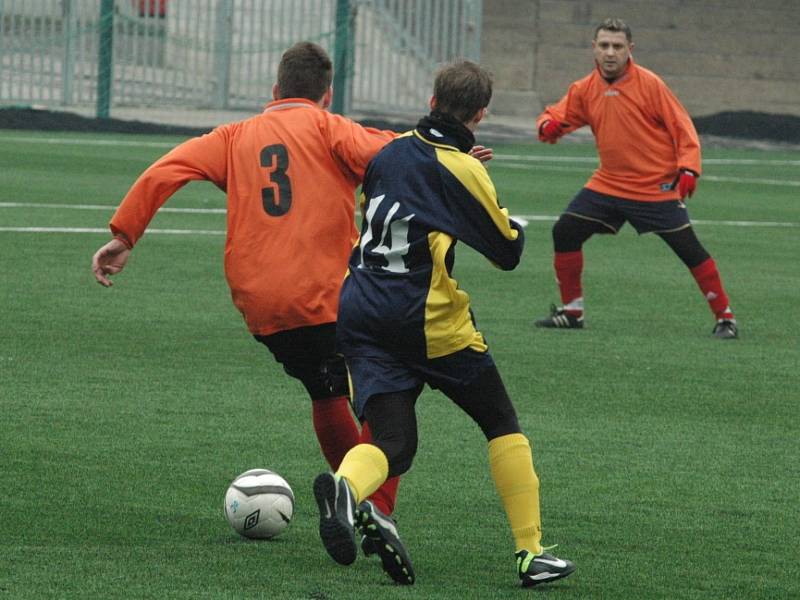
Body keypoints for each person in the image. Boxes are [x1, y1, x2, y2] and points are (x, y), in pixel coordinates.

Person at [90, 41, 411, 579]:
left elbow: (167, 168)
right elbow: (396, 154)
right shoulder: (332, 128)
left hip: (262, 306)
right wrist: (449, 153)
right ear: (325, 94)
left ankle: (357, 500)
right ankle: (372, 505)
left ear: (274, 91)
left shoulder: (232, 137)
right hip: (327, 297)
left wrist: (125, 234)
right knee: (392, 393)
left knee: (325, 386)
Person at [311, 60, 575, 588]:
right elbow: (507, 251)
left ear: (432, 100)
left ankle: (345, 487)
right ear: (481, 113)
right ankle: (531, 553)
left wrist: (459, 174)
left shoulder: (389, 152)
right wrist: (478, 184)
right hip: (423, 316)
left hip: (360, 309)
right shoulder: (465, 169)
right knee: (501, 422)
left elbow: (416, 191)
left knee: (394, 440)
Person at [533, 17, 737, 339]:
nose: (610, 53)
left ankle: (725, 318)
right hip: (609, 184)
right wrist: (548, 124)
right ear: (594, 49)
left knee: (689, 250)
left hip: (655, 186)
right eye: (604, 46)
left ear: (630, 49)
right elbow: (558, 115)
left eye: (617, 46)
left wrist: (688, 167)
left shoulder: (651, 84)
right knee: (565, 231)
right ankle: (572, 312)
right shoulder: (585, 88)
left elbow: (682, 126)